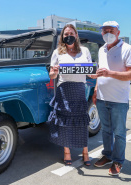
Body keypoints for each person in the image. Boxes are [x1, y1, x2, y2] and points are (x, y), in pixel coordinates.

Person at [48, 24, 92, 166]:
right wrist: (54, 71)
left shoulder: (85, 51)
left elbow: (90, 72)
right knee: (65, 123)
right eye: (66, 34)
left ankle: (85, 152)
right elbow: (52, 75)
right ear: (62, 37)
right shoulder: (57, 53)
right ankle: (67, 152)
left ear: (76, 35)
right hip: (64, 91)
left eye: (71, 33)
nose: (68, 36)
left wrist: (99, 73)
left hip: (79, 90)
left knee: (82, 122)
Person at [93, 21, 131, 176]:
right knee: (106, 131)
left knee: (120, 133)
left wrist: (110, 74)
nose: (107, 33)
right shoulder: (101, 50)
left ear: (118, 32)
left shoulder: (127, 49)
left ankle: (118, 160)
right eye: (105, 30)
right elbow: (100, 73)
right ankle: (107, 155)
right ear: (101, 33)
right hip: (102, 98)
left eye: (111, 30)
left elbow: (129, 74)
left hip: (119, 100)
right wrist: (96, 90)